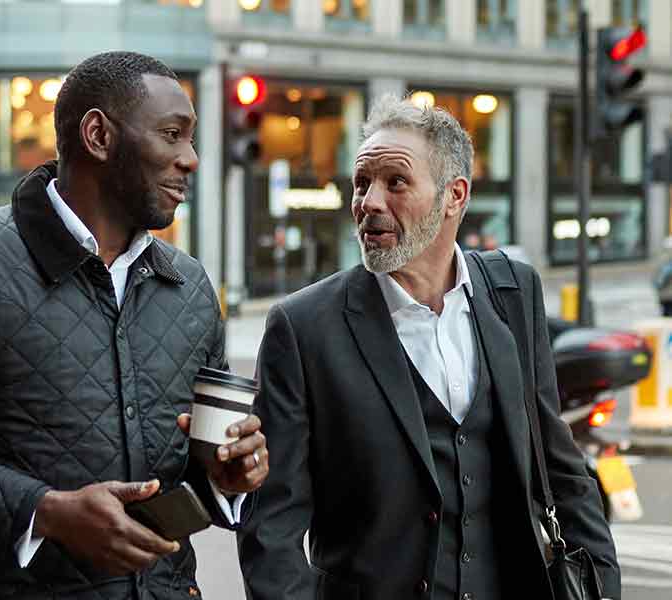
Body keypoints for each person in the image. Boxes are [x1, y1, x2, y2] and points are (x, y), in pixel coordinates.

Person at [0, 51, 268, 599]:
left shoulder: (189, 286)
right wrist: (45, 513)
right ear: (98, 135)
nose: (190, 159)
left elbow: (193, 473)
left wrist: (228, 478)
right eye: (172, 135)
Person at [239, 95, 619, 600]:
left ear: (453, 197)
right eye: (361, 183)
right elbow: (272, 523)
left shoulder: (513, 293)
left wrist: (602, 583)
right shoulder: (303, 326)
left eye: (395, 182)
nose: (369, 202)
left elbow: (561, 469)